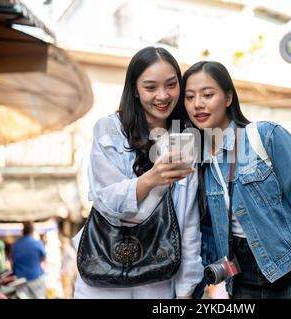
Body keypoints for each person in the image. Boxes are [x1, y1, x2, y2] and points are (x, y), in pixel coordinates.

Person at [181, 61, 291, 299]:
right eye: (189, 97)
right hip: (241, 278)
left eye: (208, 94)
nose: (198, 104)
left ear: (228, 98)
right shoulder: (200, 162)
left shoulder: (266, 135)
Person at [73, 46, 203, 299]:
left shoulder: (185, 139)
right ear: (134, 89)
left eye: (171, 85)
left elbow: (188, 221)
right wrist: (151, 179)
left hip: (159, 279)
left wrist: (186, 292)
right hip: (102, 278)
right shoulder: (109, 129)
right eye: (150, 87)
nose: (163, 96)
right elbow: (107, 203)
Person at [10, 221, 46, 299]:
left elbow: (12, 261)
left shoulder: (15, 245)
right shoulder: (38, 243)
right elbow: (43, 258)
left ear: (23, 231)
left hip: (20, 280)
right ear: (32, 231)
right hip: (36, 277)